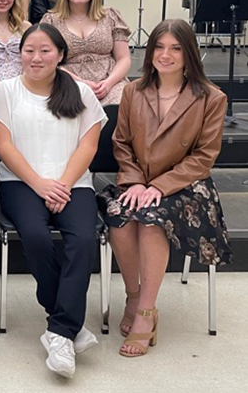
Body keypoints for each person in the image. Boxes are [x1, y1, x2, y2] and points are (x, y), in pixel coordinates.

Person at [99, 19, 233, 358]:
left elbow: (204, 156)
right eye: (159, 47)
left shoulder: (211, 98)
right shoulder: (133, 90)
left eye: (175, 48)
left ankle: (145, 311)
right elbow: (122, 143)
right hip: (137, 180)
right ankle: (132, 295)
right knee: (120, 217)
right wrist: (135, 182)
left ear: (189, 54)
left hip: (186, 186)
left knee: (150, 221)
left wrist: (159, 185)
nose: (165, 55)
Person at [0, 23, 107, 378]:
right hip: (22, 183)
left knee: (83, 240)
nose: (36, 58)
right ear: (20, 54)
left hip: (74, 185)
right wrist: (39, 184)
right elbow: (2, 146)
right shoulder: (5, 92)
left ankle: (59, 332)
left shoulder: (82, 92)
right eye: (29, 50)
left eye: (45, 51)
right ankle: (68, 326)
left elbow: (89, 145)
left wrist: (63, 184)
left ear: (60, 55)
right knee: (36, 237)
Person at [41, 0, 131, 105]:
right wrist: (81, 83)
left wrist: (108, 83)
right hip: (69, 81)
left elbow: (124, 58)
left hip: (110, 81)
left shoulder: (110, 16)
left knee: (120, 105)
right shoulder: (51, 21)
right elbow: (49, 61)